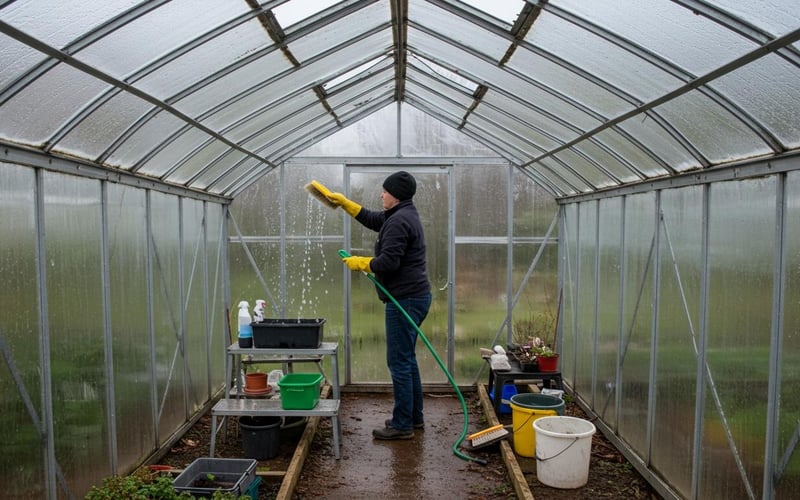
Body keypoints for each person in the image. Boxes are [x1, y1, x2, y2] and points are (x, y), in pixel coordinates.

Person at [327, 171, 432, 440]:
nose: (381, 194)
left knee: (398, 361)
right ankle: (413, 417)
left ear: (395, 195)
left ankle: (402, 425)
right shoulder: (402, 214)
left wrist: (359, 262)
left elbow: (389, 263)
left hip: (404, 300)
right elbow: (375, 220)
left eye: (385, 191)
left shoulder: (399, 221)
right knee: (407, 359)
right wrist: (346, 204)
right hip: (414, 296)